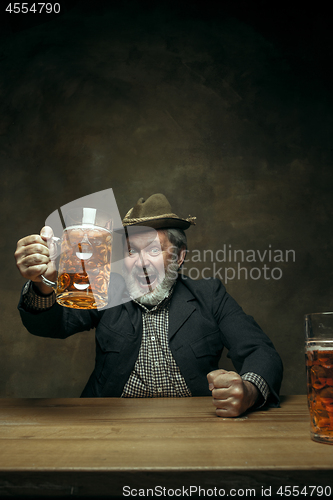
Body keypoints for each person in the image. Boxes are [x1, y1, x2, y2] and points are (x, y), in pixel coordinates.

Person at [15, 193, 283, 417]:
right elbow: (52, 325)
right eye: (132, 251)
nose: (141, 262)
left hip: (196, 429)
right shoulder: (106, 290)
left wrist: (249, 391)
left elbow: (260, 351)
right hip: (109, 428)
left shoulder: (209, 294)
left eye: (154, 250)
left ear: (178, 257)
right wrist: (42, 282)